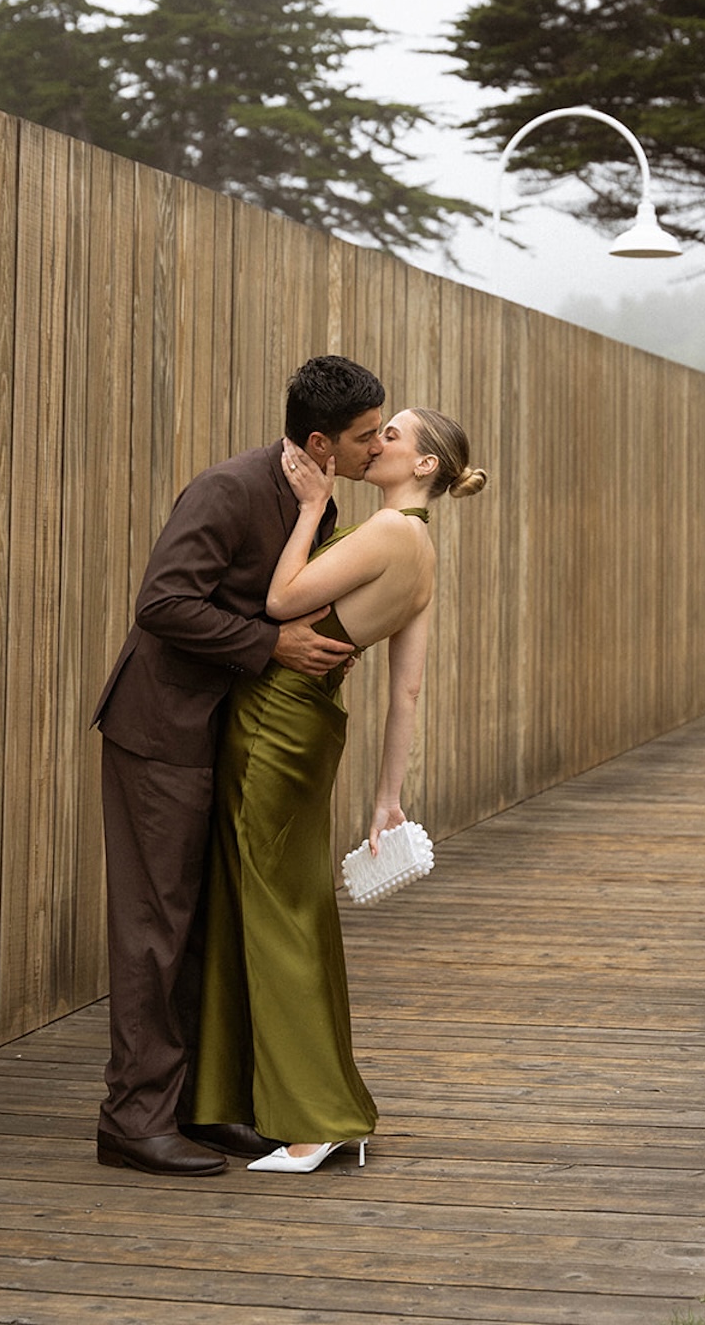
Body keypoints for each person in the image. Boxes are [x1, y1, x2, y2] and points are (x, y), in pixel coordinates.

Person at [92, 355, 387, 1177]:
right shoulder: (227, 490)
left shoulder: (312, 503)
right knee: (156, 929)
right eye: (365, 438)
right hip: (159, 735)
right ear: (321, 442)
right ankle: (131, 1119)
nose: (377, 448)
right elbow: (161, 603)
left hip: (224, 736)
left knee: (208, 922)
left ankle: (200, 1105)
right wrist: (272, 646)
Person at [190, 409, 487, 1173]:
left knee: (273, 913)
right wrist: (389, 797)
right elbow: (408, 691)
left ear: (424, 467)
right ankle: (299, 1106)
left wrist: (313, 508)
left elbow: (282, 603)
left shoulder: (388, 533)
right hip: (315, 724)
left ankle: (313, 1120)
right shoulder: (422, 550)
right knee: (292, 908)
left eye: (394, 435)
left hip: (277, 718)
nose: (377, 441)